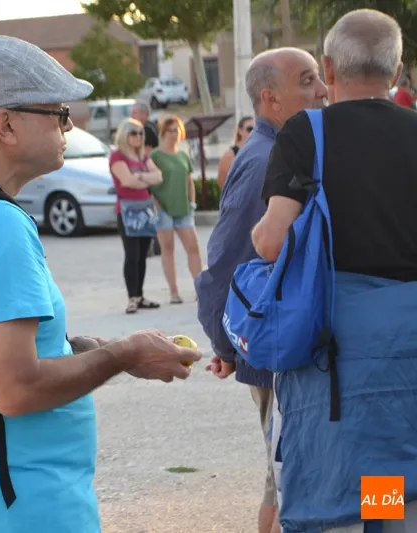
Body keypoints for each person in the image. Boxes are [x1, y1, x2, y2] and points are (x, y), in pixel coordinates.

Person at [0, 34, 201, 533]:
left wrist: (90, 349)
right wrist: (123, 355)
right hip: (23, 503)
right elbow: (14, 389)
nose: (69, 125)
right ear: (5, 124)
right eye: (58, 113)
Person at [252, 10, 417, 532]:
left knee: (337, 489)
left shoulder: (307, 133)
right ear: (396, 70)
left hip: (334, 348)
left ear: (328, 68)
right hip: (407, 345)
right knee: (392, 478)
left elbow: (272, 241)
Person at [195, 47, 328, 533]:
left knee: (334, 480)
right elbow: (228, 260)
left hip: (337, 352)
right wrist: (227, 344)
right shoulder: (269, 157)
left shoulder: (305, 146)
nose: (322, 90)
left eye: (322, 77)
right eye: (308, 80)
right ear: (271, 99)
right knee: (289, 483)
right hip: (287, 350)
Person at [109, 118, 163, 313]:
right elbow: (127, 181)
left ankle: (139, 295)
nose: (138, 136)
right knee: (131, 254)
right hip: (127, 210)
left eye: (141, 133)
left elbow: (159, 177)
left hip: (145, 209)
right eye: (134, 133)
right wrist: (144, 179)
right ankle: (132, 297)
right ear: (124, 135)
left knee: (142, 254)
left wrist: (139, 177)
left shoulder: (143, 156)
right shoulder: (117, 156)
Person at [149, 115, 202, 304]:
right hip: (163, 210)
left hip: (184, 209)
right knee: (168, 249)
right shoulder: (156, 156)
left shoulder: (183, 155)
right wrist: (156, 206)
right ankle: (173, 292)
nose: (174, 134)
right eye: (171, 130)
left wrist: (192, 202)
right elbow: (150, 183)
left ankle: (200, 289)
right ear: (163, 133)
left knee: (193, 247)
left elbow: (189, 181)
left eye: (177, 130)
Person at [216, 115, 255, 190]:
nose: (253, 132)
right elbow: (221, 181)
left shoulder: (257, 151)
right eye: (250, 129)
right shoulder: (231, 154)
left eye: (256, 129)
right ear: (240, 131)